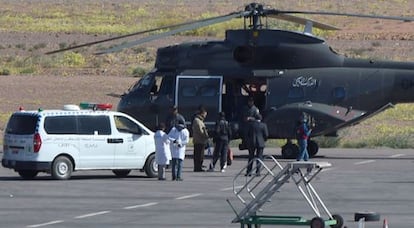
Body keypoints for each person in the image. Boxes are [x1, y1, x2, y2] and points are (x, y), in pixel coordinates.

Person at [192, 106, 209, 172]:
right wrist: (205, 135)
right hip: (199, 140)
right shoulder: (197, 121)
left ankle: (199, 166)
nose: (205, 116)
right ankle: (197, 167)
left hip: (201, 140)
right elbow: (200, 131)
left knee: (200, 155)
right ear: (202, 113)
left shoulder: (200, 121)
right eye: (205, 114)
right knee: (198, 155)